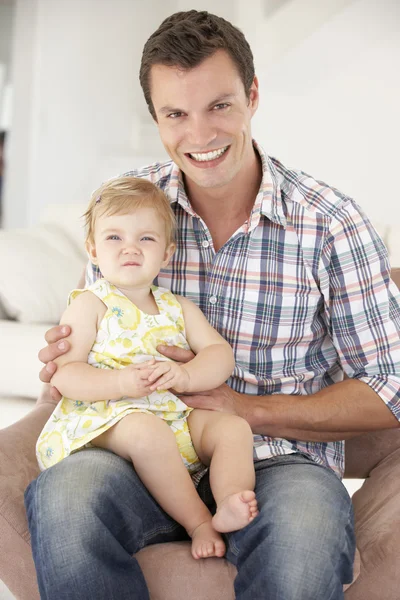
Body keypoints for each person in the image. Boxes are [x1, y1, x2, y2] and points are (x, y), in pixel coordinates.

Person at [25, 9, 400, 600]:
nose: (199, 136)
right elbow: (86, 334)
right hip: (136, 447)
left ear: (252, 96)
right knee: (66, 500)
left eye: (219, 106)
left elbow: (390, 386)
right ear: (156, 118)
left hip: (282, 462)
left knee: (304, 537)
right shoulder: (128, 212)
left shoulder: (330, 222)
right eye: (176, 113)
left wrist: (245, 409)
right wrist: (67, 361)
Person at [35, 175, 258, 560]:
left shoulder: (178, 307)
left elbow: (220, 355)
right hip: (107, 416)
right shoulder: (91, 303)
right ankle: (199, 522)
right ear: (92, 249)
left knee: (234, 428)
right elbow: (66, 374)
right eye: (114, 237)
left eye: (146, 238)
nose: (130, 249)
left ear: (167, 254)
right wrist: (121, 381)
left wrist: (186, 375)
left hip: (173, 414)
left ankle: (229, 502)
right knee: (146, 431)